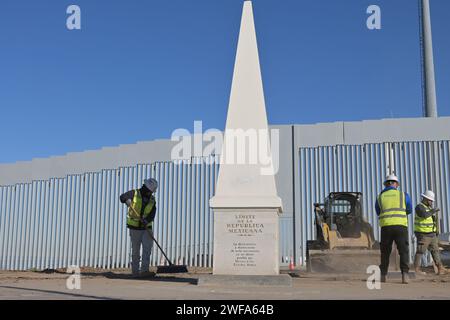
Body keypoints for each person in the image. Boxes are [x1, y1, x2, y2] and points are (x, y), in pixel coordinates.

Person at [375, 174, 412, 284]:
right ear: (396, 184)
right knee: (403, 251)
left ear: (386, 184)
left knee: (385, 252)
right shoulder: (403, 195)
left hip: (386, 227)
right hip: (400, 226)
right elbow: (409, 209)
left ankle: (383, 276)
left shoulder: (379, 197)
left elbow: (378, 211)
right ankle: (405, 276)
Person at [120, 178, 158, 277]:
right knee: (135, 250)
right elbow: (122, 197)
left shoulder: (152, 199)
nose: (150, 193)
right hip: (135, 227)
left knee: (147, 249)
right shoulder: (134, 193)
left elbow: (152, 213)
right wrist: (127, 200)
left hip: (146, 228)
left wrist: (147, 220)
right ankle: (135, 272)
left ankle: (144, 271)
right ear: (145, 187)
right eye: (150, 191)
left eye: (151, 192)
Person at [414, 190, 447, 275]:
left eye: (432, 200)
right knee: (420, 251)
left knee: (435, 251)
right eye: (430, 200)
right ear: (425, 198)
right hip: (423, 234)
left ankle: (440, 268)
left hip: (432, 234)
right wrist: (434, 210)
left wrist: (436, 231)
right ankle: (416, 269)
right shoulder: (419, 207)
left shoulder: (429, 208)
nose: (431, 202)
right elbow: (424, 215)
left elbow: (433, 221)